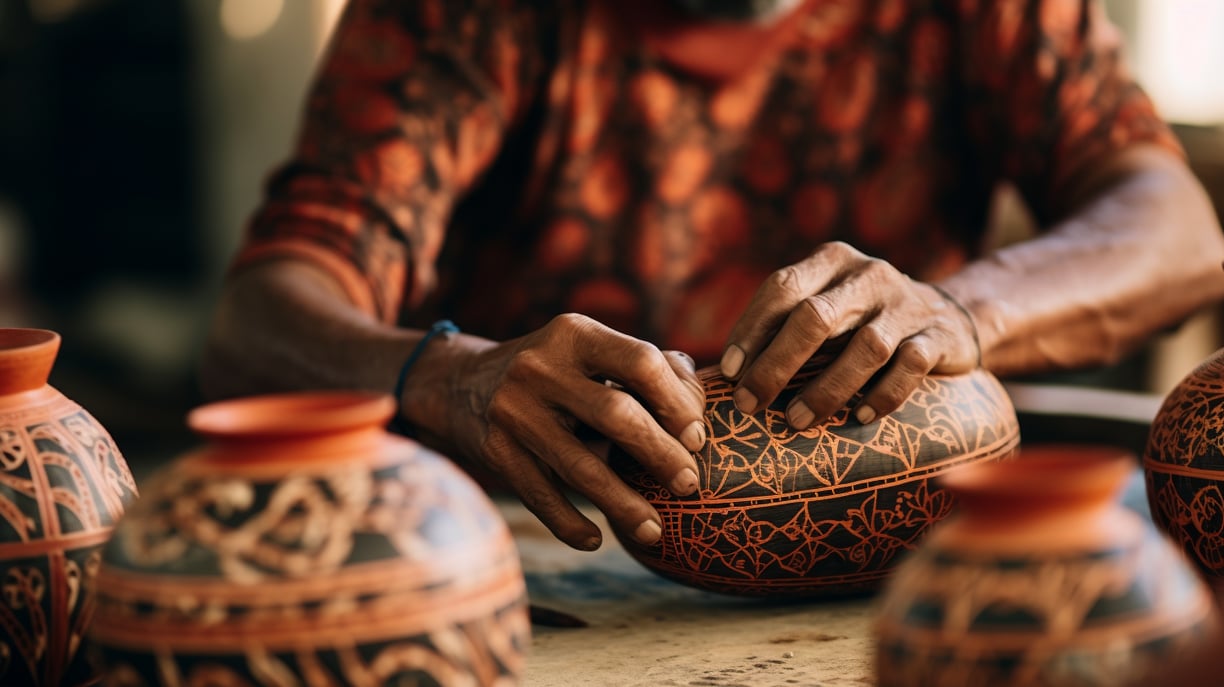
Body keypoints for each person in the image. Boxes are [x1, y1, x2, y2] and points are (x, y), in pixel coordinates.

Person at [199, 0, 1224, 552]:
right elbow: (255, 324)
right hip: (542, 557)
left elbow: (1177, 232)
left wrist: (964, 310)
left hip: (906, 565)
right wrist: (448, 375)